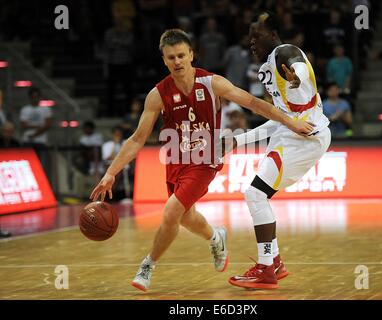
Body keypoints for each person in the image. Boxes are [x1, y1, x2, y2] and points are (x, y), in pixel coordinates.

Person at [90, 29, 314, 292]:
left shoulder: (212, 83)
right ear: (163, 59)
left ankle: (147, 266)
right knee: (185, 217)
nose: (177, 61)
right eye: (171, 57)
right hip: (176, 159)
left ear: (191, 55)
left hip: (205, 160)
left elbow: (253, 102)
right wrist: (111, 173)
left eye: (182, 55)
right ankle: (215, 237)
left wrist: (291, 121)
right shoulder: (158, 94)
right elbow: (138, 138)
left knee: (172, 211)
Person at [225, 12, 331, 290]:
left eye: (256, 36)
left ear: (272, 34)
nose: (251, 42)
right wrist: (239, 140)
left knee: (255, 194)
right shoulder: (269, 66)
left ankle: (266, 268)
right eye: (249, 38)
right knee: (260, 195)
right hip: (292, 134)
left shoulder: (284, 52)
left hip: (305, 136)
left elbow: (298, 67)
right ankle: (274, 263)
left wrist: (297, 78)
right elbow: (280, 120)